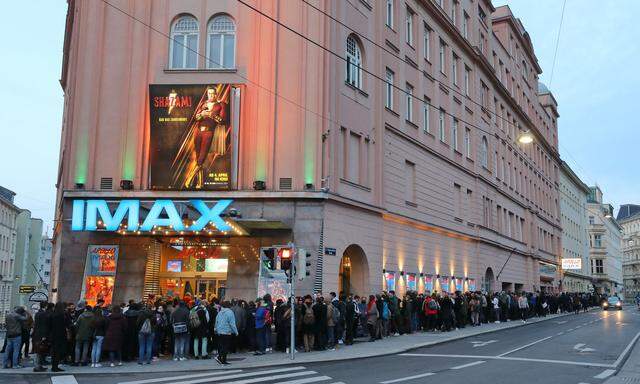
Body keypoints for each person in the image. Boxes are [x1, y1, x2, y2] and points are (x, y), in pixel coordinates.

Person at [214, 301, 238, 365]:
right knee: (226, 346)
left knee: (222, 345)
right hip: (227, 331)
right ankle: (221, 359)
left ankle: (221, 358)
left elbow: (216, 321)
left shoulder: (220, 312)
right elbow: (232, 323)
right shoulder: (230, 312)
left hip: (220, 331)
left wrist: (216, 329)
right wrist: (236, 332)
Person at [32, 302, 51, 372]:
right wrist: (44, 335)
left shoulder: (37, 313)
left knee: (38, 350)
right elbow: (43, 326)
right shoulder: (44, 314)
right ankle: (37, 366)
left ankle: (38, 366)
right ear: (45, 306)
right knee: (40, 350)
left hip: (36, 334)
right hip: (41, 335)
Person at [49, 302, 69, 372]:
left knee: (54, 351)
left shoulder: (53, 314)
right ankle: (55, 366)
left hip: (53, 335)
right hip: (60, 335)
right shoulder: (62, 315)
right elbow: (67, 324)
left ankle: (54, 366)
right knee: (59, 351)